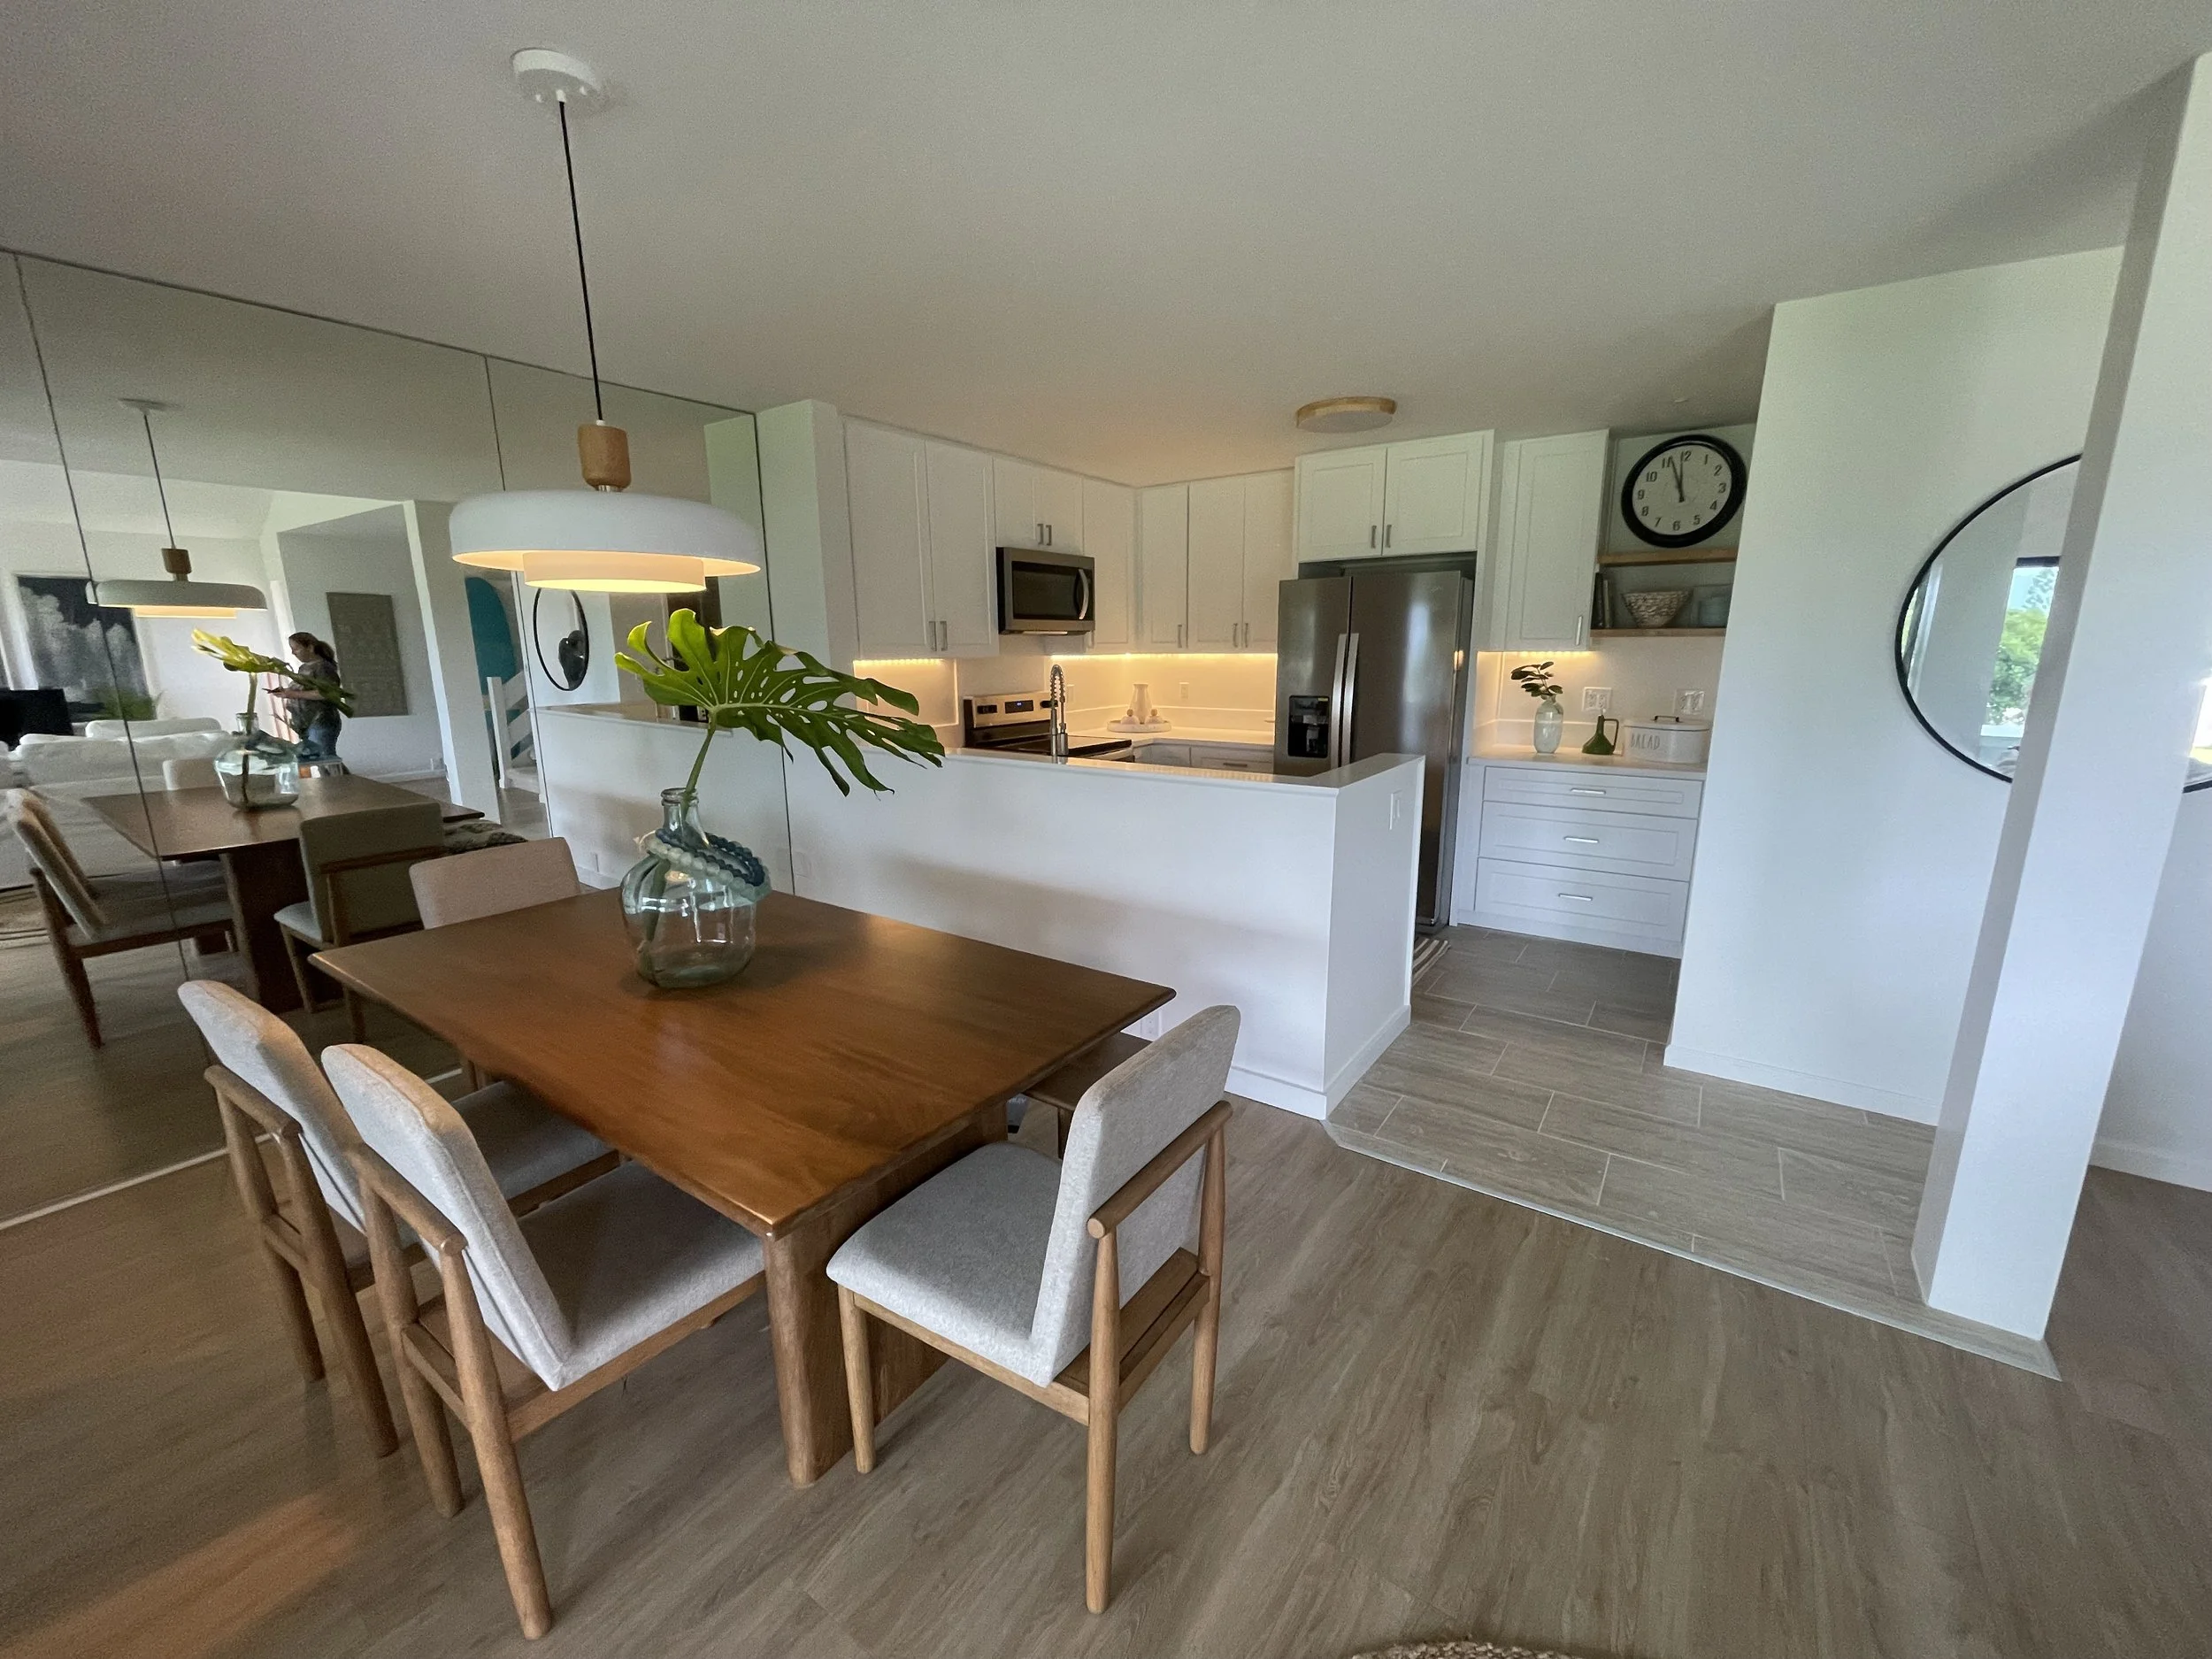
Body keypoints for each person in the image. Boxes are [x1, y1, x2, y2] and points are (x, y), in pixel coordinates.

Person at [269, 632, 345, 764]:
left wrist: (293, 694)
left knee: (325, 760)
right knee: (321, 761)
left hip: (321, 721)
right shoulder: (304, 668)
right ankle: (342, 782)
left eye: (296, 648)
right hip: (306, 722)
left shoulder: (323, 667)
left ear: (310, 647)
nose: (294, 653)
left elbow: (326, 693)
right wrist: (287, 691)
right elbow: (305, 690)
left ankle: (342, 783)